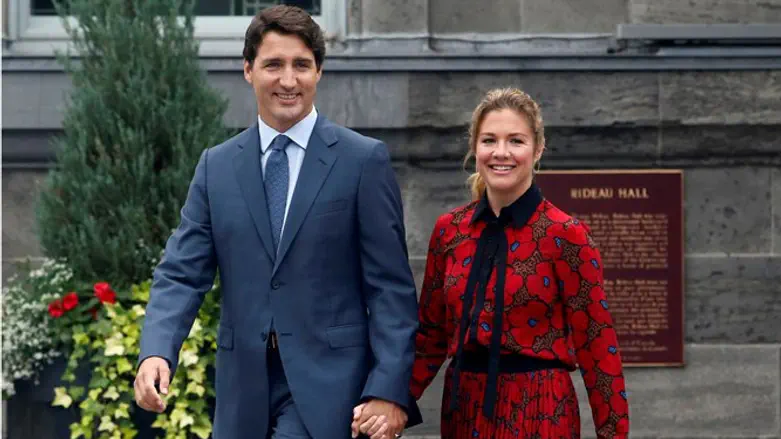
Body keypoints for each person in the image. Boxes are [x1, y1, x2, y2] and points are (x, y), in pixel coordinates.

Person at [133, 5, 421, 439]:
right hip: (242, 394)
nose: (288, 80)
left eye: (301, 65)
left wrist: (388, 390)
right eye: (274, 65)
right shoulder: (217, 167)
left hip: (330, 391)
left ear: (318, 72)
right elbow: (181, 273)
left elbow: (390, 290)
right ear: (248, 70)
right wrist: (156, 351)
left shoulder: (362, 161)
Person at [354, 88, 629, 439]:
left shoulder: (565, 235)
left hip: (541, 411)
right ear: (475, 148)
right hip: (464, 411)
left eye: (516, 140)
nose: (501, 153)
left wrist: (614, 434)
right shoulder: (449, 230)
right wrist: (390, 400)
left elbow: (597, 344)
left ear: (538, 149)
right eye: (489, 141)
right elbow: (430, 336)